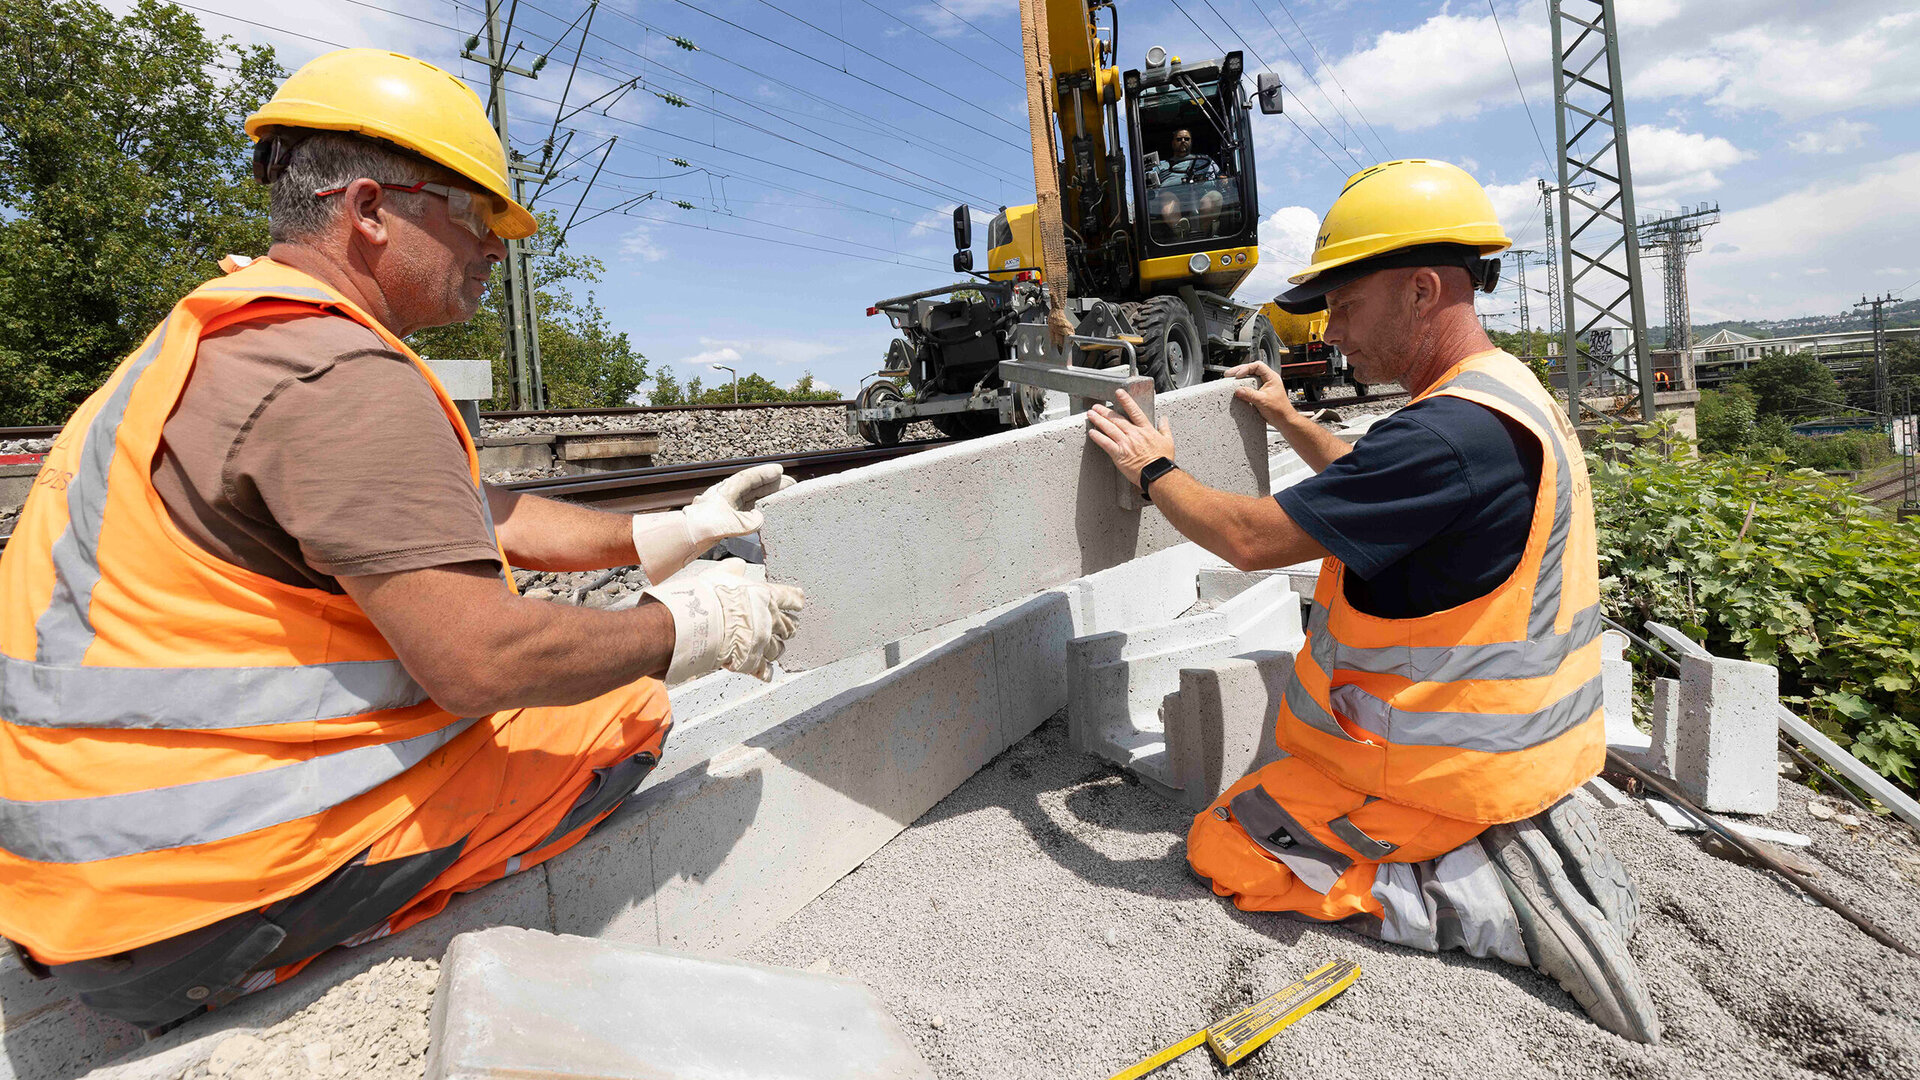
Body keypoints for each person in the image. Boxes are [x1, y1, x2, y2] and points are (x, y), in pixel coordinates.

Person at [0, 49, 803, 1031]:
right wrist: (688, 630)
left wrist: (662, 533)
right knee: (623, 712)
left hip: (76, 878)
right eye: (477, 216)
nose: (497, 251)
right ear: (372, 210)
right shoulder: (339, 376)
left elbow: (468, 512)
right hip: (187, 909)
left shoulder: (226, 340)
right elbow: (478, 659)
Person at [1084, 159, 1659, 1043]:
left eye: (1344, 305)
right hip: (1528, 754)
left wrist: (1152, 467)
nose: (1330, 330)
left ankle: (1468, 897)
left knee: (1228, 846)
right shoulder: (1498, 397)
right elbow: (1374, 482)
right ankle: (1484, 846)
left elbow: (1251, 540)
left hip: (1443, 775)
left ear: (1421, 290)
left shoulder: (1446, 434)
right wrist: (1284, 418)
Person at [1148, 129, 1223, 237]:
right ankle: (1180, 231)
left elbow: (1220, 176)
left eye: (1186, 139)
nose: (1183, 141)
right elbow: (1151, 183)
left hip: (1202, 194)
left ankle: (1205, 232)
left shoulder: (1206, 160)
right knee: (1166, 196)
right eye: (1179, 139)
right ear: (1173, 142)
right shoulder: (1161, 166)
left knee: (1215, 196)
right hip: (1174, 196)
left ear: (1191, 141)